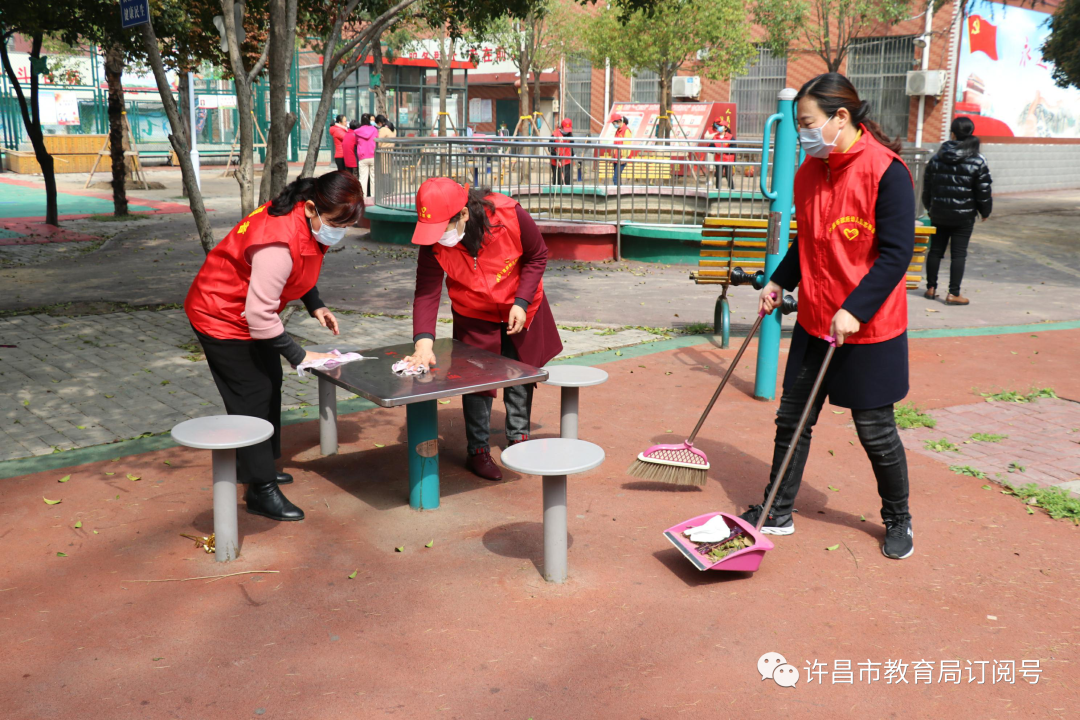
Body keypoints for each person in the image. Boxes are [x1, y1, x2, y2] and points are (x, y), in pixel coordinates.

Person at [741, 73, 917, 560]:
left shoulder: (888, 172)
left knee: (875, 432)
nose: (803, 134)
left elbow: (896, 254)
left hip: (869, 328)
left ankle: (898, 518)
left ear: (841, 117)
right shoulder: (808, 172)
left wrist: (856, 310)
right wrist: (779, 280)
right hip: (818, 321)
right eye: (799, 125)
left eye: (808, 123)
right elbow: (810, 241)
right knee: (791, 419)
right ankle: (777, 509)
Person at [184, 172, 364, 521]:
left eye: (347, 224)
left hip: (245, 314)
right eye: (335, 223)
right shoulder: (278, 239)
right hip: (220, 314)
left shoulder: (302, 215)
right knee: (252, 393)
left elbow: (301, 262)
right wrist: (302, 356)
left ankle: (256, 465)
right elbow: (259, 314)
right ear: (312, 207)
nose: (339, 232)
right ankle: (260, 490)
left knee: (271, 384)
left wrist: (316, 304)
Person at [402, 178, 562, 481]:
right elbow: (426, 291)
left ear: (463, 214)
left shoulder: (510, 214)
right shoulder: (434, 242)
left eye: (442, 228)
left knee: (520, 372)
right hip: (473, 312)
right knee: (476, 382)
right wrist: (423, 342)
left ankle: (519, 437)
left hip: (520, 305)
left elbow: (537, 255)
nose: (437, 237)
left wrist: (521, 300)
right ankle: (478, 450)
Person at [921, 116, 993, 306]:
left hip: (939, 213)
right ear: (971, 133)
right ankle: (953, 293)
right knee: (958, 254)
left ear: (952, 133)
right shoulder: (977, 160)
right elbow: (983, 189)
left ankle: (930, 288)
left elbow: (927, 187)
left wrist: (929, 207)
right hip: (964, 215)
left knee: (936, 250)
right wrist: (985, 211)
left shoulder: (937, 157)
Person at [704, 120, 735, 190]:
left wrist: (725, 151)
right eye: (719, 126)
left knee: (728, 175)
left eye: (721, 126)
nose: (719, 128)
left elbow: (734, 147)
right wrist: (715, 151)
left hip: (728, 159)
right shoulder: (715, 137)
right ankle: (718, 189)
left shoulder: (730, 137)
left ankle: (732, 189)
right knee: (718, 174)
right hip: (718, 159)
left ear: (725, 128)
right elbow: (711, 147)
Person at [355, 113, 379, 199]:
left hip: (362, 157)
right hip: (373, 156)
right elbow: (377, 140)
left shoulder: (357, 131)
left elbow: (356, 142)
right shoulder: (374, 129)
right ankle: (374, 196)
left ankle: (363, 197)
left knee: (363, 178)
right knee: (373, 177)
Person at [550, 118, 573, 186]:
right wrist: (556, 158)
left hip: (567, 161)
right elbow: (550, 148)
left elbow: (572, 145)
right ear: (562, 127)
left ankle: (567, 195)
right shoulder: (555, 135)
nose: (567, 132)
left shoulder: (570, 134)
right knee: (557, 180)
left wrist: (573, 155)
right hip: (557, 162)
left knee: (567, 180)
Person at [375, 114, 397, 185]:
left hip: (383, 152)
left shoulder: (383, 129)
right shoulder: (393, 129)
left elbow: (379, 142)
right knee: (389, 170)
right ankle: (390, 188)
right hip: (391, 151)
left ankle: (386, 189)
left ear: (379, 122)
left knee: (384, 171)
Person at [610, 115, 631, 186]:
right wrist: (612, 157)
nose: (614, 125)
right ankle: (620, 193)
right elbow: (615, 143)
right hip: (616, 158)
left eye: (614, 124)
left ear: (618, 121)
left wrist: (624, 158)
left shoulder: (626, 130)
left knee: (615, 178)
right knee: (618, 178)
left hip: (622, 158)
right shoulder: (618, 131)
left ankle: (617, 194)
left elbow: (627, 145)